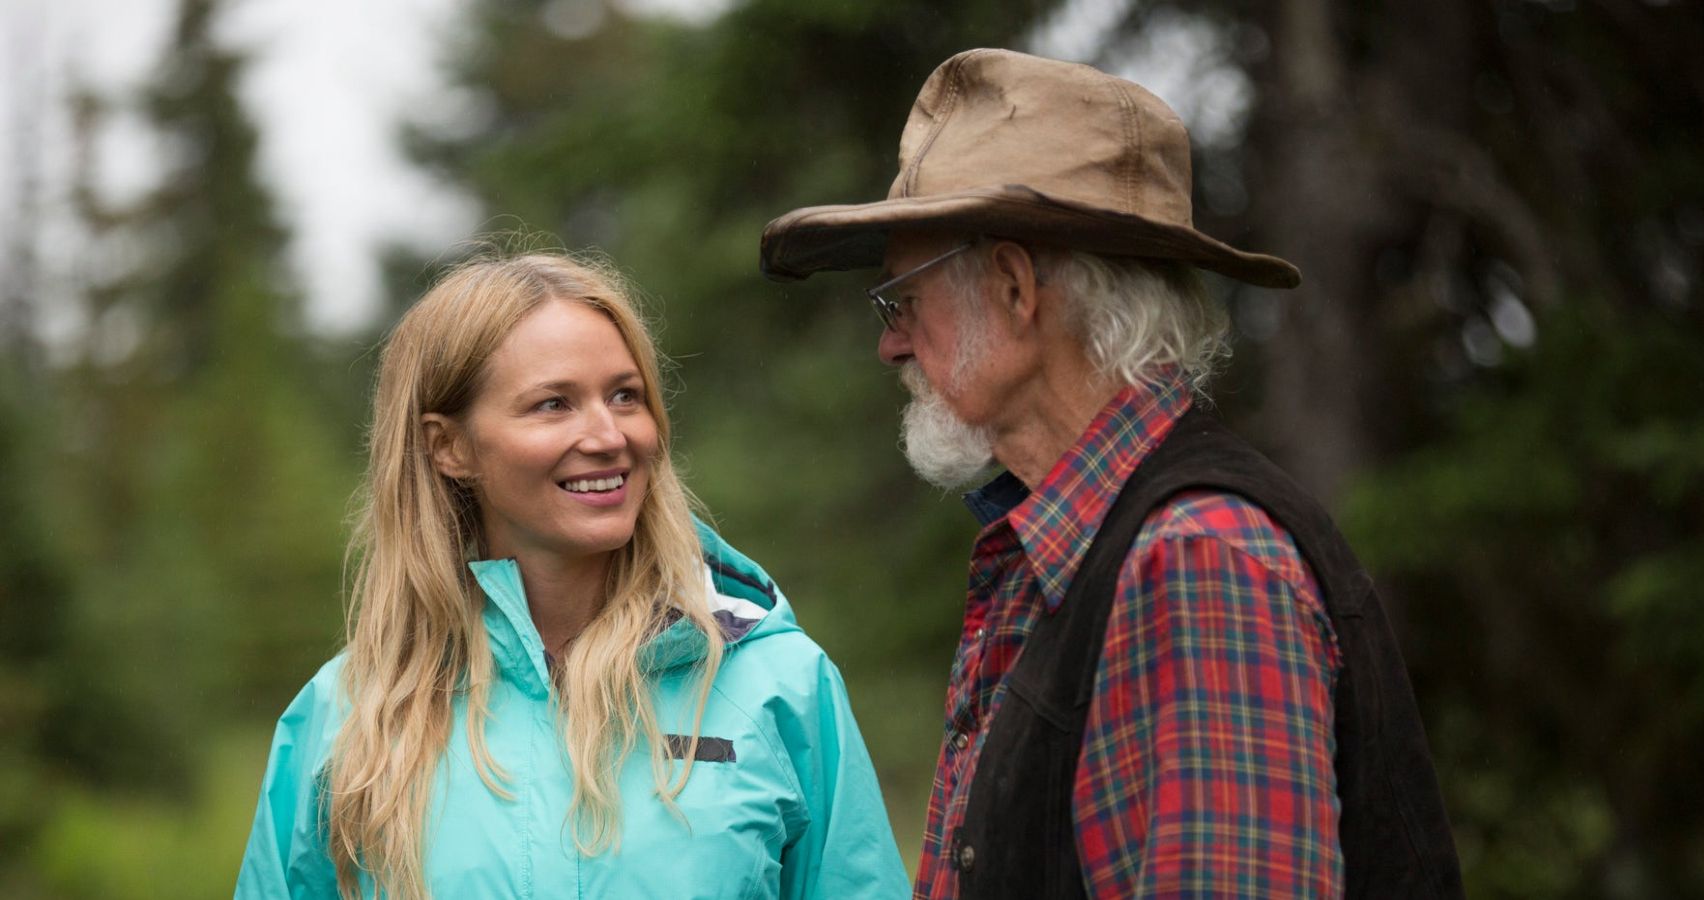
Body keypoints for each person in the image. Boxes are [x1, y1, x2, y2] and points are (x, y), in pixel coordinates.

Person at [760, 49, 1464, 899]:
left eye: (900, 299)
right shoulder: (1081, 546)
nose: (891, 343)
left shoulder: (1200, 559)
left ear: (1016, 287)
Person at [235, 252, 910, 899]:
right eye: (553, 404)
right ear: (449, 446)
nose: (608, 435)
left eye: (625, 396)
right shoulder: (349, 715)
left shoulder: (779, 684)